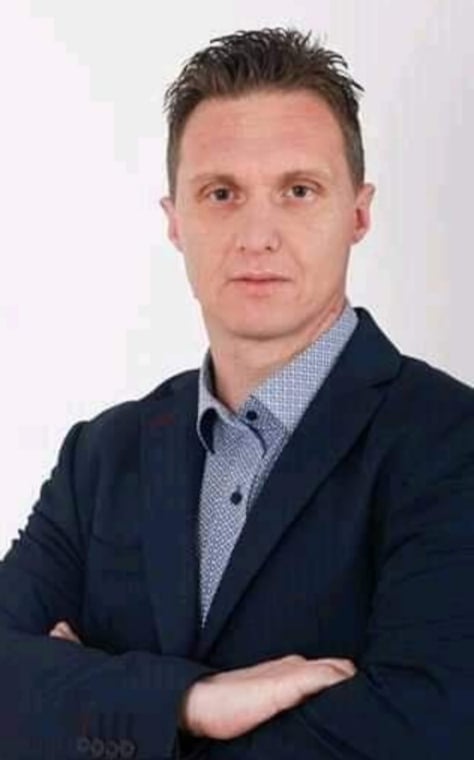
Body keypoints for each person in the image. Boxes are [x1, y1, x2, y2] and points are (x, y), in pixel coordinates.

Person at [1, 26, 474, 760]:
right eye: (221, 193)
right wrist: (193, 703)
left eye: (298, 191)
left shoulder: (452, 444)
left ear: (359, 213)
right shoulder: (100, 457)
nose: (258, 235)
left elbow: (426, 734)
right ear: (175, 222)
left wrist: (92, 705)